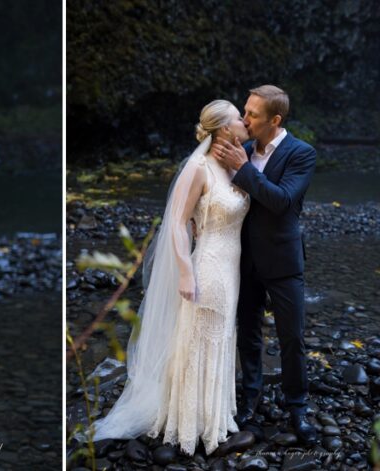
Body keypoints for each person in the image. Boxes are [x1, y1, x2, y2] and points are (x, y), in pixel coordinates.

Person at [92, 100, 251, 455]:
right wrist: (185, 271)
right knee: (197, 341)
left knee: (221, 337)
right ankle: (188, 423)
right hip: (209, 265)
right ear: (224, 129)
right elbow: (177, 222)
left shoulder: (235, 162)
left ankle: (215, 416)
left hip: (233, 267)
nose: (245, 122)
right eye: (239, 118)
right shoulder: (198, 168)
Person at [211, 85, 317, 445]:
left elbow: (283, 202)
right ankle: (250, 400)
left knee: (292, 338)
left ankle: (297, 407)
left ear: (275, 120)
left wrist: (243, 170)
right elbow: (208, 182)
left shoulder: (302, 153)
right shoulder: (240, 148)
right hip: (241, 259)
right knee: (249, 334)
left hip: (284, 260)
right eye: (245, 110)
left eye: (252, 114)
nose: (244, 119)